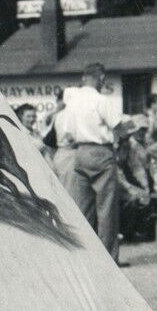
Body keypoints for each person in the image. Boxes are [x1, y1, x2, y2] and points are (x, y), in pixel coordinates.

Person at [51, 63, 121, 258]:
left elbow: (69, 131)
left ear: (84, 78)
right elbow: (116, 125)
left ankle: (86, 255)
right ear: (100, 78)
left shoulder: (72, 102)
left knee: (84, 208)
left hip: (80, 151)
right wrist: (117, 144)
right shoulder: (101, 100)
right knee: (106, 208)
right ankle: (108, 257)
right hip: (101, 151)